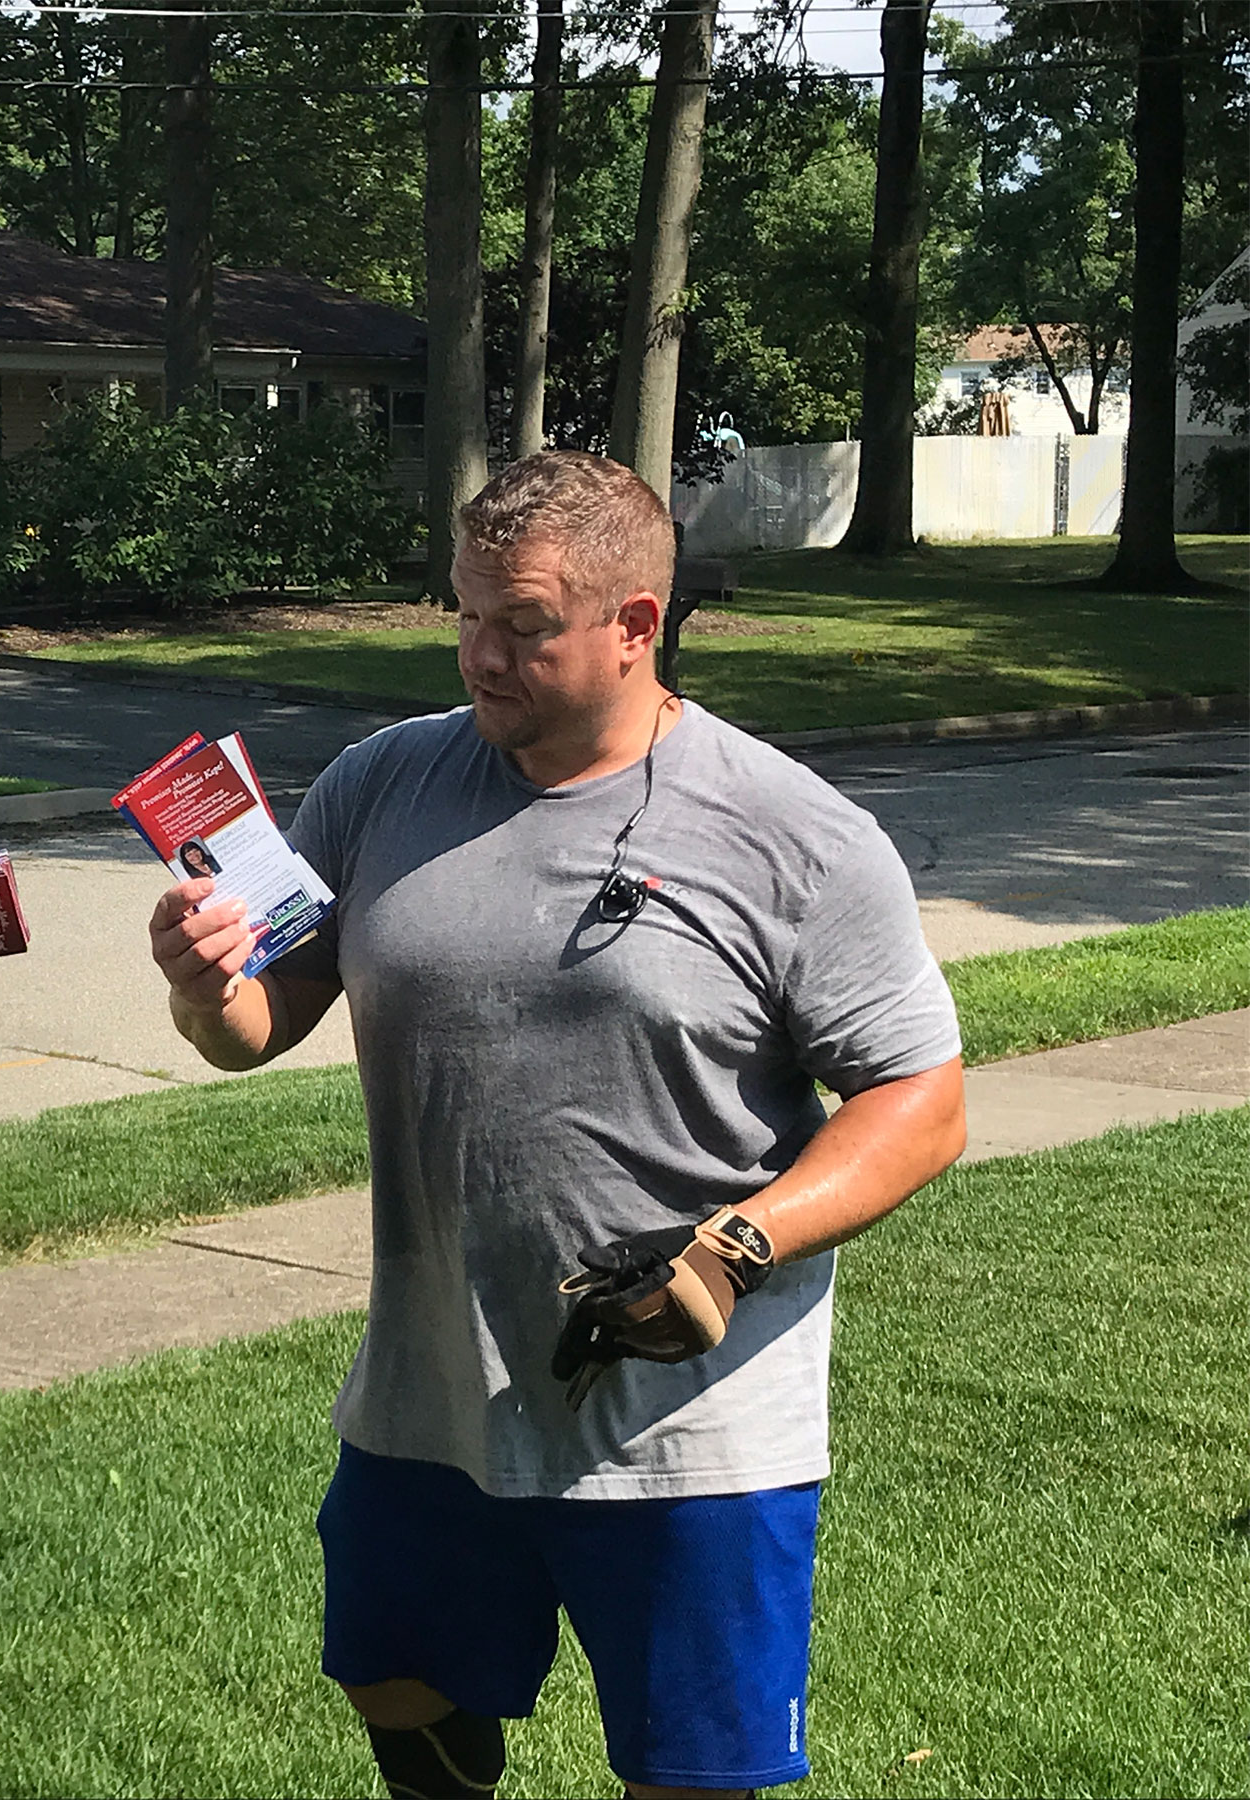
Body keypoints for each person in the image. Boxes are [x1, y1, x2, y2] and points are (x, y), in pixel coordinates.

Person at [146, 450, 965, 1799]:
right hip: (434, 1394)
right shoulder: (379, 785)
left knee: (693, 1770)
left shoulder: (793, 834)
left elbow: (921, 1102)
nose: (481, 655)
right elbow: (260, 1024)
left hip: (689, 1421)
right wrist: (204, 987)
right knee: (393, 1680)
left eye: (524, 626)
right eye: (466, 615)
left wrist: (742, 1243)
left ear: (636, 625)